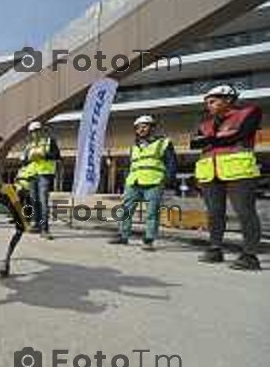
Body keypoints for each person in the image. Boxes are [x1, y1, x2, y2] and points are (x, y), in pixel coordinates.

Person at [191, 84, 263, 270]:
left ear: (228, 99)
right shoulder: (205, 123)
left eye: (213, 101)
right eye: (207, 102)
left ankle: (250, 255)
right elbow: (194, 144)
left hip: (239, 170)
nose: (209, 105)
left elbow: (242, 134)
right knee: (214, 213)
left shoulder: (249, 112)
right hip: (209, 171)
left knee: (244, 212)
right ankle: (215, 249)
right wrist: (218, 138)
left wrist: (211, 140)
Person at [108, 115, 177, 250]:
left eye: (145, 126)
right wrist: (126, 181)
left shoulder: (163, 143)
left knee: (152, 212)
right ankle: (123, 235)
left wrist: (167, 180)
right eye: (138, 127)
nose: (141, 129)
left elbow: (171, 163)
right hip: (133, 182)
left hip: (154, 182)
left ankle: (149, 239)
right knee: (126, 210)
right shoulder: (134, 147)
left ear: (152, 127)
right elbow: (132, 165)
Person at [21, 120, 60, 239]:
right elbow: (25, 161)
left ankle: (45, 229)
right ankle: (35, 225)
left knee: (43, 202)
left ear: (42, 131)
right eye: (33, 132)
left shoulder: (50, 142)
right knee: (34, 202)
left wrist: (43, 155)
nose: (35, 134)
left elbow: (57, 156)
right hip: (32, 176)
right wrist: (26, 159)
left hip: (44, 175)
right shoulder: (29, 146)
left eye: (37, 131)